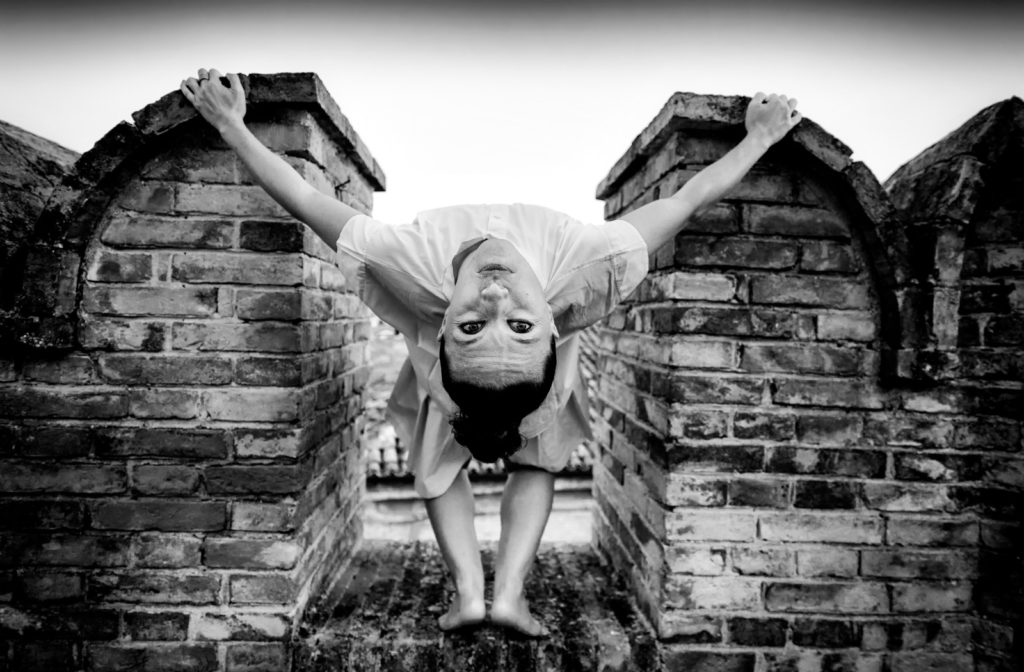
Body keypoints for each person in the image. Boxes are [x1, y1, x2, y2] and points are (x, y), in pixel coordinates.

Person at [180, 69, 800, 636]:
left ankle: (493, 596)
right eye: (488, 325)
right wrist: (757, 142)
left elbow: (308, 201)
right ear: (443, 333)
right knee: (533, 461)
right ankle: (483, 595)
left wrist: (232, 127)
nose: (498, 296)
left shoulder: (411, 262)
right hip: (487, 382)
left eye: (489, 324)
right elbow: (684, 201)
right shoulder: (587, 261)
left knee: (443, 465)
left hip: (515, 382)